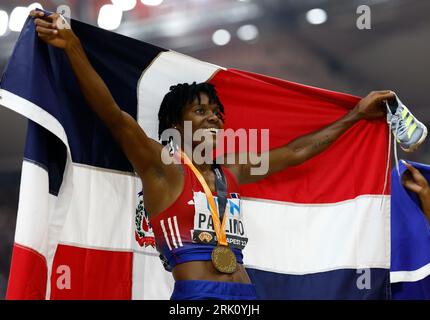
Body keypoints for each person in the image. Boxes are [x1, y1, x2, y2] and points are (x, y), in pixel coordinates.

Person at [30, 10, 419, 300]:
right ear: (175, 126)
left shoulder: (230, 173)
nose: (214, 117)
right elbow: (114, 116)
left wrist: (354, 116)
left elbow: (296, 152)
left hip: (245, 299)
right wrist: (74, 48)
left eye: (216, 112)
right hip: (196, 300)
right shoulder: (161, 167)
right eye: (200, 111)